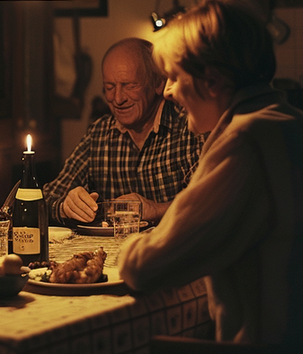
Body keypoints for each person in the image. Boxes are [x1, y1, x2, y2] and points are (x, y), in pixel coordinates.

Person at [118, 0, 303, 354]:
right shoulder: (298, 125)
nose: (167, 92)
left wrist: (126, 240)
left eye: (173, 78)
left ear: (211, 80)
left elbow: (143, 267)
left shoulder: (247, 142)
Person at [44, 37, 203, 225]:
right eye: (109, 87)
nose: (118, 98)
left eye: (130, 86)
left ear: (158, 83)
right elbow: (44, 200)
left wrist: (157, 210)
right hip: (112, 253)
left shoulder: (191, 126)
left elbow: (213, 202)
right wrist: (66, 206)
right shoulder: (99, 133)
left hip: (175, 251)